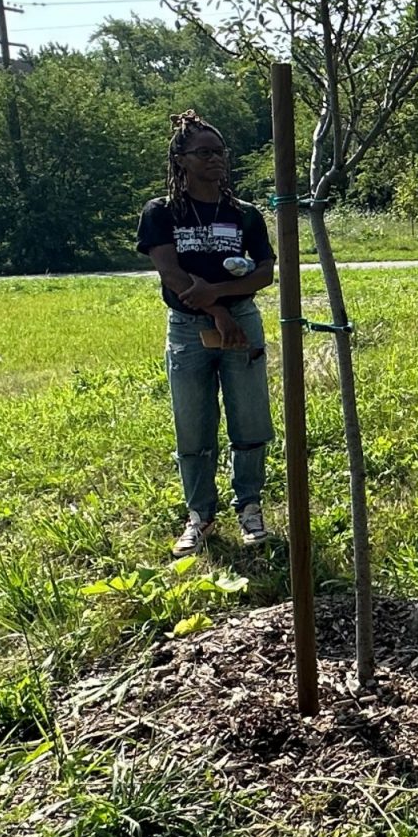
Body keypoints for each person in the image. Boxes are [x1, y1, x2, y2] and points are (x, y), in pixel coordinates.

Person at [137, 111, 277, 556]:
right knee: (193, 425)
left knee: (250, 419)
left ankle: (250, 506)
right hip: (188, 329)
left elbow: (264, 272)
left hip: (242, 324)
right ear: (180, 159)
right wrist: (218, 312)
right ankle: (200, 515)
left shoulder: (245, 215)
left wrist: (218, 296)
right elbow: (172, 273)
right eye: (204, 153)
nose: (215, 160)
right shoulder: (161, 213)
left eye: (220, 152)